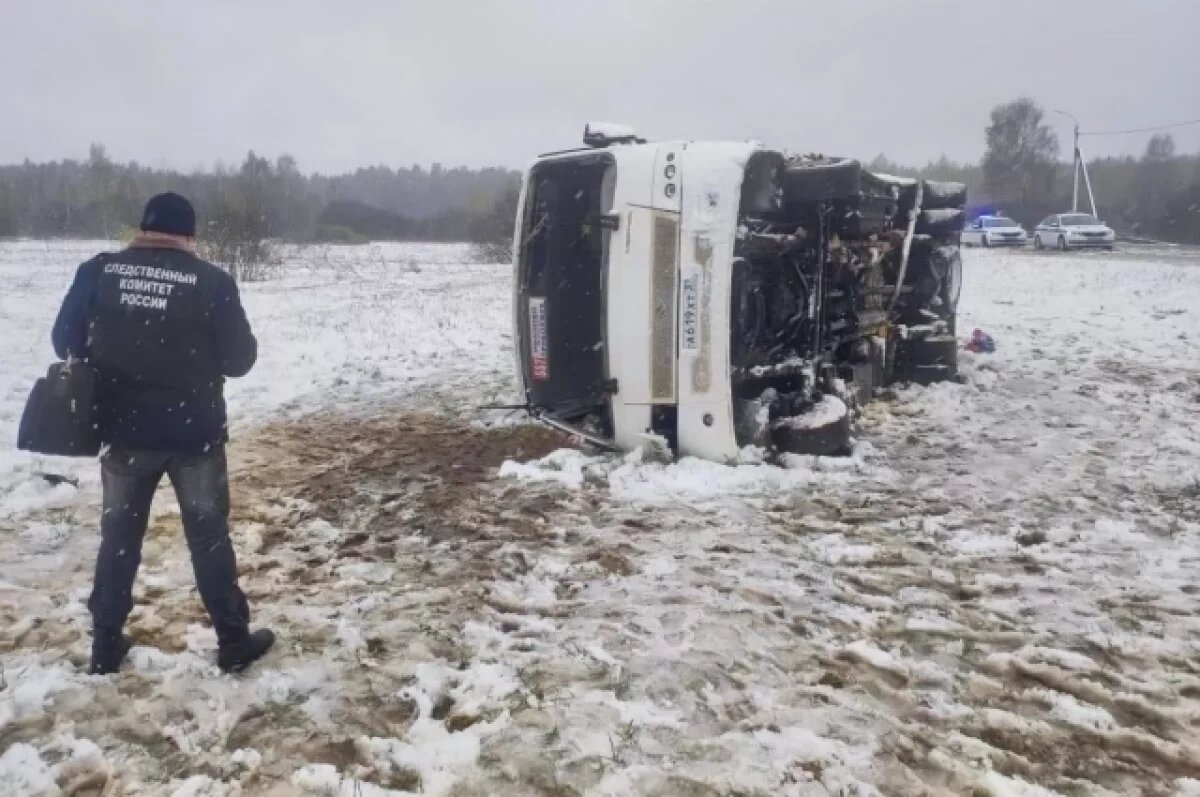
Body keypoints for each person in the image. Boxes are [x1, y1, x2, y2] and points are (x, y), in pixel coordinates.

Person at [51, 192, 274, 675]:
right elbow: (240, 362)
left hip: (123, 433)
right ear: (189, 236)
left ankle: (105, 643)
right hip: (193, 435)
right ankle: (233, 641)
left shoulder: (98, 272)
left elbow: (64, 341)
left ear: (143, 228)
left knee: (119, 539)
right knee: (209, 538)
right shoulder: (211, 282)